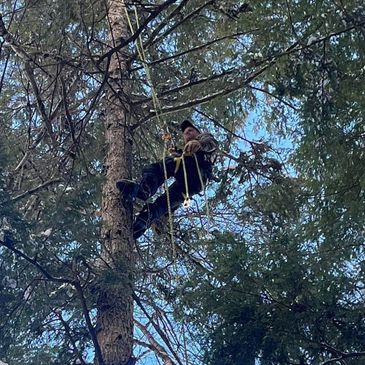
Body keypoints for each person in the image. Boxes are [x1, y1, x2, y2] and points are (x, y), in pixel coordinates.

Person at [116, 120, 218, 239]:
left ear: (198, 133)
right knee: (167, 201)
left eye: (191, 131)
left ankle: (145, 189)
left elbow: (211, 143)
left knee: (161, 166)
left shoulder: (204, 140)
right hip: (193, 185)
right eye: (185, 133)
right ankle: (144, 220)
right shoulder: (184, 152)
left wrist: (199, 143)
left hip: (197, 171)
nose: (187, 133)